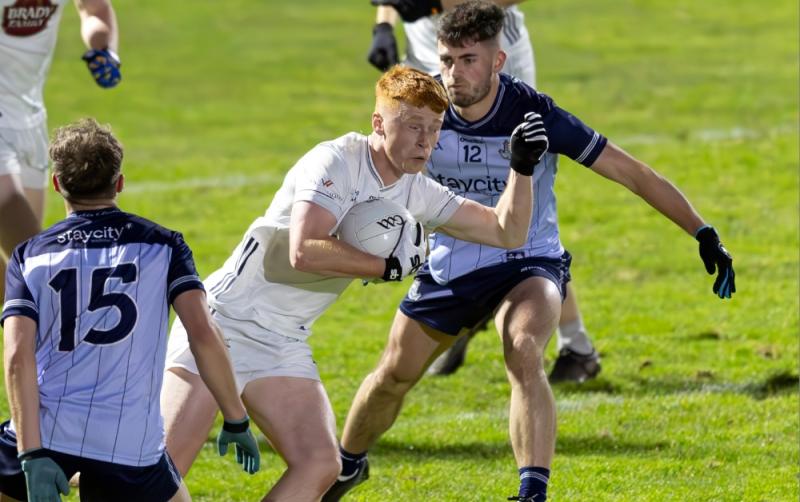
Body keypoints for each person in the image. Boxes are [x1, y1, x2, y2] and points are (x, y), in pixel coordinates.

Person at [325, 2, 736, 501]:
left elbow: (632, 173)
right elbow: (371, 173)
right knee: (393, 374)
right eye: (447, 60)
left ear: (498, 61)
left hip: (527, 258)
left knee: (523, 351)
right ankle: (346, 465)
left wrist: (701, 231)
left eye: (468, 60)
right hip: (450, 261)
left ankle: (531, 492)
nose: (454, 74)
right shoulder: (424, 110)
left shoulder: (534, 113)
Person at [160, 65, 547, 501]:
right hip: (223, 323)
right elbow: (303, 249)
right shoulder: (336, 161)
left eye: (434, 128)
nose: (425, 140)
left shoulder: (417, 190)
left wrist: (522, 168)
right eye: (413, 125)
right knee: (157, 473)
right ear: (378, 123)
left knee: (322, 463)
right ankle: (77, 460)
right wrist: (384, 267)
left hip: (283, 340)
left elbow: (505, 232)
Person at [0, 118, 260, 502]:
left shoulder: (30, 256)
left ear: (57, 185)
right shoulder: (164, 246)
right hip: (128, 444)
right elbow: (204, 334)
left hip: (47, 428)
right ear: (119, 182)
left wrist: (31, 452)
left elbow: (17, 357)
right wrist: (235, 416)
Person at [367, 0, 601, 381]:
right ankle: (461, 307)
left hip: (482, 51)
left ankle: (573, 342)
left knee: (516, 197)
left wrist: (440, 4)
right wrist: (384, 24)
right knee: (440, 181)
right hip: (431, 52)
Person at [0, 0, 122, 304]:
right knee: (26, 247)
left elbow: (93, 9)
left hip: (28, 118)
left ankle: (31, 328)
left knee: (27, 261)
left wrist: (103, 47)